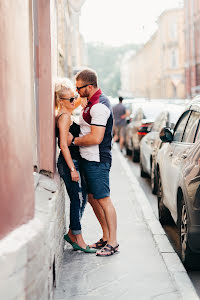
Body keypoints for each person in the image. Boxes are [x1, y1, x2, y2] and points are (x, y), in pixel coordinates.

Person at [69, 68, 119, 257]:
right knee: (92, 198)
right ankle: (106, 236)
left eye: (79, 88)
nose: (77, 91)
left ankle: (113, 242)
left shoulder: (99, 106)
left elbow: (95, 138)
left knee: (104, 199)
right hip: (89, 159)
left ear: (89, 87)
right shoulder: (90, 103)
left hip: (97, 160)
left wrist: (74, 141)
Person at [55, 78, 96, 254]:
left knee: (82, 198)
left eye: (74, 97)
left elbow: (80, 99)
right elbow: (63, 145)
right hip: (69, 163)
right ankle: (77, 237)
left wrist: (76, 92)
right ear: (61, 102)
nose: (74, 100)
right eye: (71, 99)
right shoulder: (64, 118)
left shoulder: (68, 114)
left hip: (74, 161)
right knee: (77, 199)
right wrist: (72, 169)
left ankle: (73, 232)